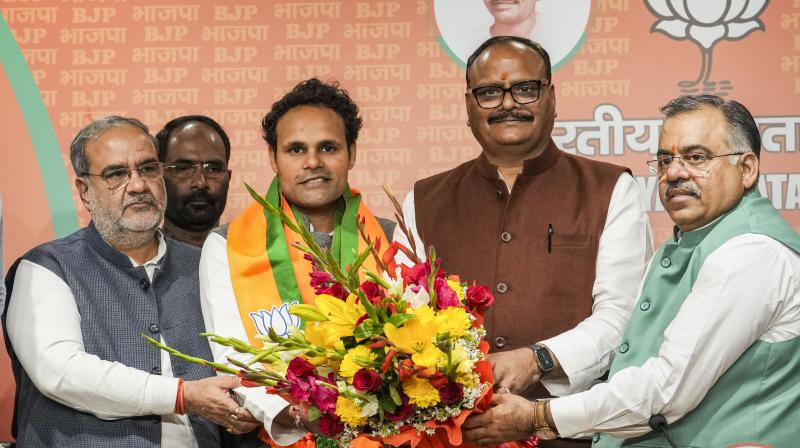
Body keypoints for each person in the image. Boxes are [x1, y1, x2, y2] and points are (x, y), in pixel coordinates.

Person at [462, 95, 800, 447]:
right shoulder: (683, 245)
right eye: (666, 159)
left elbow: (664, 391)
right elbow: (632, 367)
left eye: (696, 157)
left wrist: (537, 416)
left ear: (746, 169)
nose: (675, 172)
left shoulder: (749, 253)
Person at [395, 36, 652, 447]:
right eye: (490, 92)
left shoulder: (609, 189)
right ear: (468, 106)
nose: (508, 103)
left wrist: (539, 359)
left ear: (551, 97)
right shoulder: (423, 200)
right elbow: (400, 321)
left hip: (571, 434)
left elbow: (623, 318)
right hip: (450, 437)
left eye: (525, 88)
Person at [1, 116, 258, 447]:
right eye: (116, 174)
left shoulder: (206, 265)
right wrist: (183, 395)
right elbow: (62, 373)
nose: (137, 185)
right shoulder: (47, 268)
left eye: (148, 169)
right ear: (84, 190)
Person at [199, 78, 396, 446]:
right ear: (273, 157)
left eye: (327, 147)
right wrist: (293, 414)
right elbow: (231, 354)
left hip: (382, 431)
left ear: (351, 153)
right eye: (295, 149)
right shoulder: (226, 245)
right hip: (277, 436)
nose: (312, 162)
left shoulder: (390, 236)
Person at [156, 115, 232, 248]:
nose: (200, 183)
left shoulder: (253, 261)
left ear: (228, 178)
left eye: (213, 169)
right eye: (183, 168)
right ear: (159, 177)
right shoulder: (140, 263)